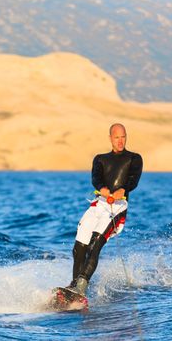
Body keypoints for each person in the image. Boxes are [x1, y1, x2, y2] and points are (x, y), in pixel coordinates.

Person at [66, 123, 143, 296]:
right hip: (99, 203)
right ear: (110, 138)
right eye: (116, 137)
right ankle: (73, 285)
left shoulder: (134, 158)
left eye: (123, 136)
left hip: (118, 206)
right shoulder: (100, 159)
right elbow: (96, 178)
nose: (120, 140)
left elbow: (134, 179)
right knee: (79, 247)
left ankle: (82, 286)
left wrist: (123, 189)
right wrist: (102, 188)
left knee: (95, 243)